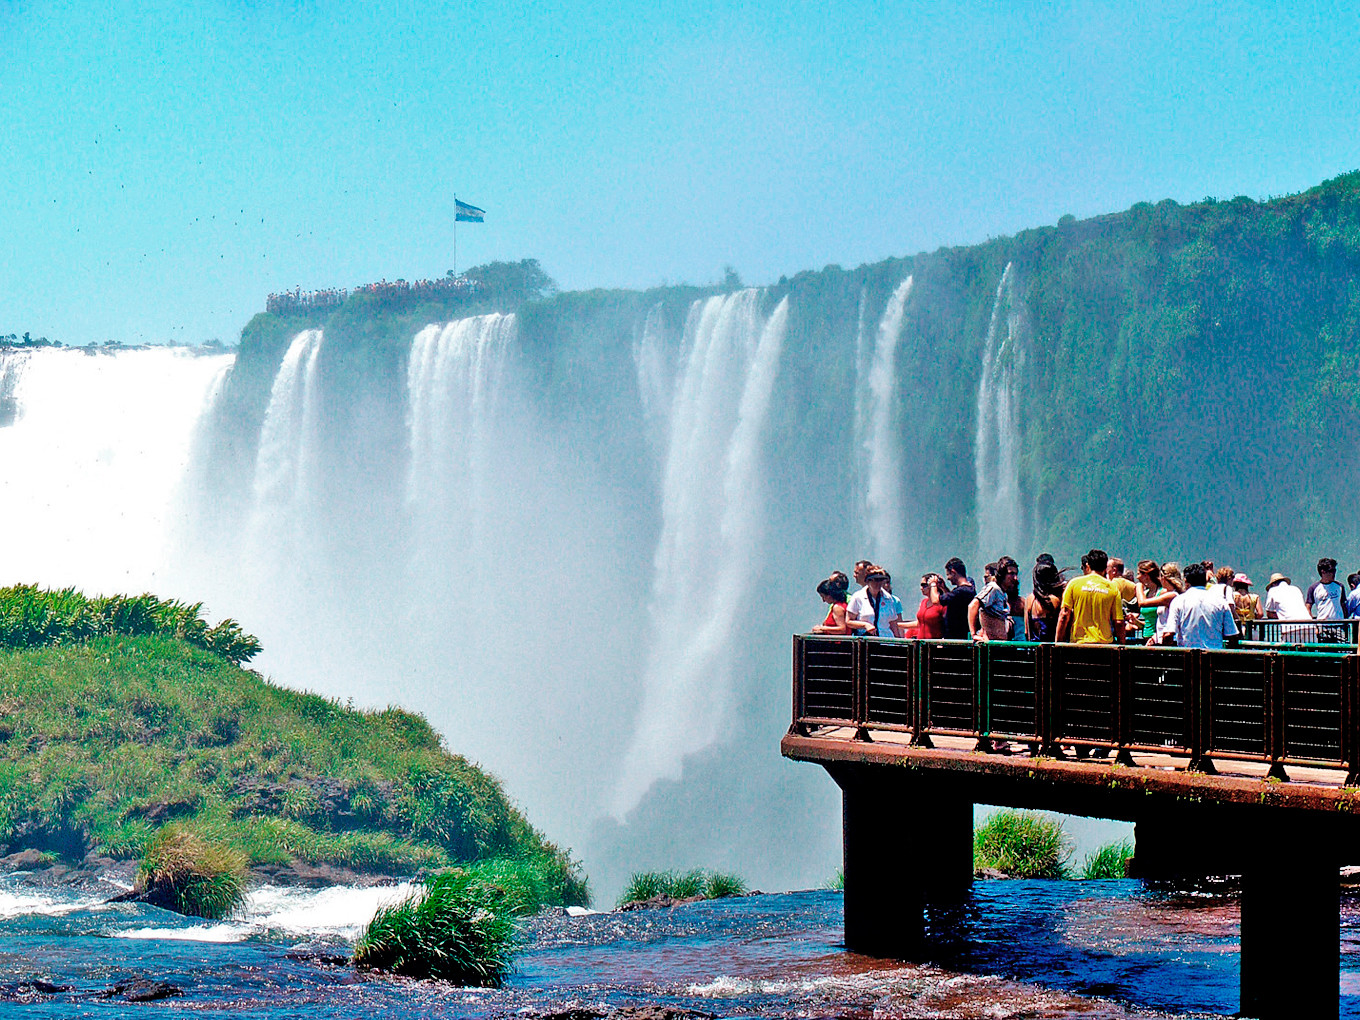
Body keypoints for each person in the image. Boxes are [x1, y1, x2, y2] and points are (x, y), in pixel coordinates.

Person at [1055, 548, 1125, 644]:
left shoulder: (1074, 584)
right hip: (1104, 646)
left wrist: (1058, 642)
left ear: (1088, 565)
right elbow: (1119, 622)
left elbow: (1064, 615)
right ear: (1105, 568)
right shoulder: (1112, 588)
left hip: (1079, 644)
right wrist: (1122, 644)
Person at [1165, 561, 1240, 649]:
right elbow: (1232, 635)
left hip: (1187, 655)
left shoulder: (1178, 601)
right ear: (1205, 580)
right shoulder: (1220, 601)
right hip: (1214, 656)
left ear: (1186, 581)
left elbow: (1169, 634)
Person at [971, 556, 1019, 641]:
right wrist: (974, 634)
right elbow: (973, 605)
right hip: (991, 646)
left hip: (999, 644)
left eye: (1016, 574)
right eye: (1011, 574)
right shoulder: (993, 589)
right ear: (1002, 574)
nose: (1015, 578)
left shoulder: (1003, 592)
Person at [847, 566, 902, 638]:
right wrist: (865, 625)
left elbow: (893, 623)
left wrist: (898, 641)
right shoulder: (857, 597)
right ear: (867, 581)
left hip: (886, 640)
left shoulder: (888, 598)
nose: (878, 583)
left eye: (881, 580)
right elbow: (848, 621)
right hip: (866, 641)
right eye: (875, 580)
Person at [1305, 557, 1348, 641]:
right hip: (1322, 626)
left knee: (1342, 650)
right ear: (1323, 572)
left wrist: (1346, 622)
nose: (1334, 574)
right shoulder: (1313, 588)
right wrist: (1314, 625)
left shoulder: (1340, 587)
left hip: (1339, 625)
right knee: (1325, 651)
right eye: (1331, 571)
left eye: (1335, 571)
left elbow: (1343, 606)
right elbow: (1308, 607)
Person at [1263, 572, 1310, 642]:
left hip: (1291, 627)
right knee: (1310, 650)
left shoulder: (1273, 590)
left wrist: (1281, 616)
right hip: (1309, 624)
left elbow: (1269, 613)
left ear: (1273, 584)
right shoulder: (1296, 589)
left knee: (1290, 651)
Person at [1026, 559, 1065, 641]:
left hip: (1035, 648)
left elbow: (1027, 631)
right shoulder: (1057, 599)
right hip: (1054, 649)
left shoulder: (1030, 599)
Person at [1136, 560, 1175, 643]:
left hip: (1157, 638)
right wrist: (1136, 621)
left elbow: (1142, 602)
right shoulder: (1146, 593)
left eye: (1138, 574)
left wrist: (1138, 587)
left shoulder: (1162, 592)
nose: (1137, 577)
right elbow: (1148, 622)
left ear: (1146, 575)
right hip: (1147, 637)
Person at [940, 557, 976, 640]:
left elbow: (936, 601)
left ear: (953, 572)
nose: (948, 578)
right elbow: (952, 599)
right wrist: (944, 587)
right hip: (959, 636)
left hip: (956, 638)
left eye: (948, 574)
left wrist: (933, 585)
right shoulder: (970, 586)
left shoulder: (961, 591)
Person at [915, 573, 948, 639]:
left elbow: (947, 625)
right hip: (921, 643)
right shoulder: (923, 602)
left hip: (934, 644)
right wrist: (895, 625)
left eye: (924, 585)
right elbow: (919, 623)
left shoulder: (942, 604)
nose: (921, 588)